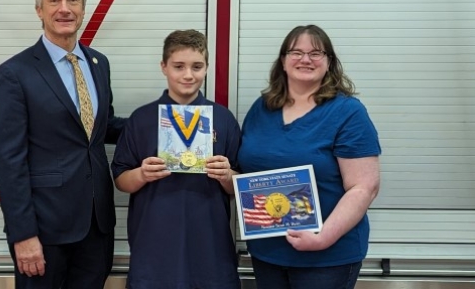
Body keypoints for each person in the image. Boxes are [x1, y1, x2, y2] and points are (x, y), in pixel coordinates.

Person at [0, 0, 125, 289]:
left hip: (96, 227)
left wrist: (164, 125)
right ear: (40, 10)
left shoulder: (99, 64)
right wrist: (23, 235)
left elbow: (101, 128)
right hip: (44, 232)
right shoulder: (15, 73)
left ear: (83, 8)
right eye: (55, 0)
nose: (64, 8)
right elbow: (9, 161)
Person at [237, 25, 381, 289]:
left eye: (316, 53)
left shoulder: (348, 112)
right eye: (296, 52)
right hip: (267, 252)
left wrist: (323, 237)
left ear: (329, 63)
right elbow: (249, 175)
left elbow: (364, 187)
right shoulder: (262, 108)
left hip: (327, 257)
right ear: (283, 60)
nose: (305, 59)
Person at [111, 30, 242, 289]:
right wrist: (142, 174)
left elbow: (243, 185)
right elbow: (120, 179)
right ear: (164, 67)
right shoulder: (142, 119)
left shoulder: (223, 119)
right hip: (154, 248)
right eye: (178, 66)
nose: (188, 75)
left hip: (210, 248)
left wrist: (228, 176)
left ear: (207, 68)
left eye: (197, 66)